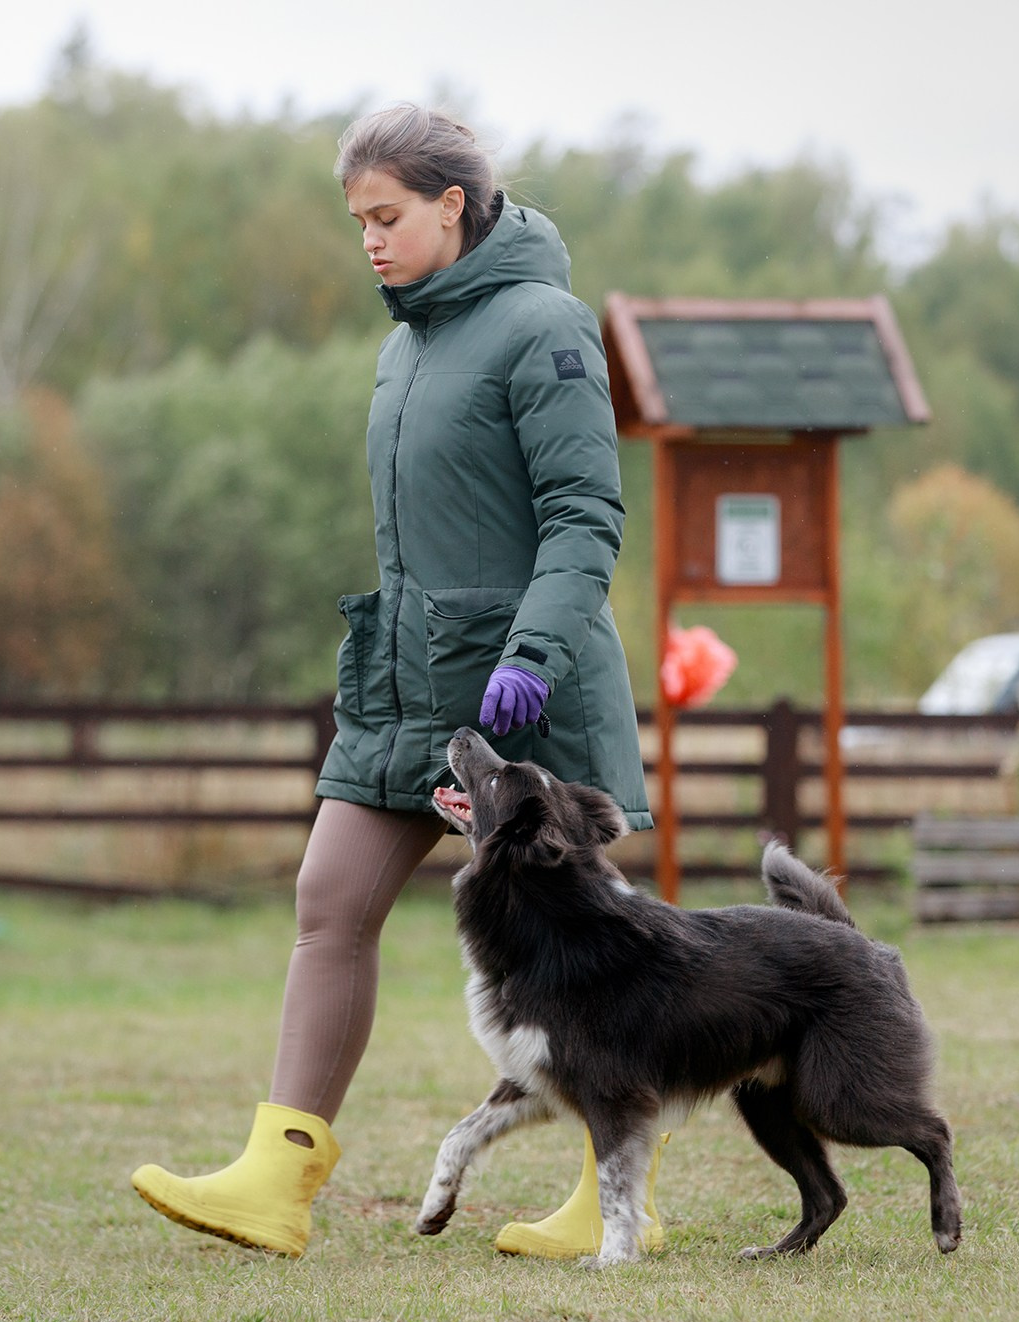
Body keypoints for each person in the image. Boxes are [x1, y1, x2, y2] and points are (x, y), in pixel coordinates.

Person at [130, 103, 657, 1260]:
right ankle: (276, 1178)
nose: (367, 240)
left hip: (529, 691)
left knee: (574, 952)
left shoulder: (546, 327)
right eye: (356, 219)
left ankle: (609, 1195)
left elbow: (583, 516)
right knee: (329, 899)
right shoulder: (405, 340)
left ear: (452, 207)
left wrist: (529, 654)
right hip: (407, 683)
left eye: (387, 216)